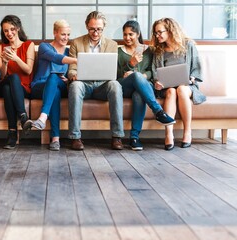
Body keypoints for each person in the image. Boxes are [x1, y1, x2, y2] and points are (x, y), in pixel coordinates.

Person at [67, 11, 124, 150]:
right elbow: (72, 68)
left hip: (102, 85)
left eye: (99, 29)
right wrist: (73, 74)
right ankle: (75, 137)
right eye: (92, 29)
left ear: (104, 27)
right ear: (87, 26)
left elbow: (113, 70)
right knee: (75, 86)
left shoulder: (112, 45)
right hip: (83, 84)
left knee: (115, 85)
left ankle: (117, 136)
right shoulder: (76, 42)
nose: (95, 32)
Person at [117, 20, 175, 151]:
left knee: (138, 95)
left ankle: (134, 137)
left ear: (137, 34)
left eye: (131, 34)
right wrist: (130, 64)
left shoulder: (150, 51)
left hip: (143, 88)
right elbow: (116, 75)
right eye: (125, 34)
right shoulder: (119, 52)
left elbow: (153, 70)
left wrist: (145, 76)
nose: (127, 38)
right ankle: (158, 111)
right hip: (124, 86)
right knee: (135, 76)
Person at [150, 17, 205, 150]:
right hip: (167, 87)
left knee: (181, 89)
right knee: (171, 91)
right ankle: (169, 134)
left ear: (170, 30)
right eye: (155, 33)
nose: (157, 36)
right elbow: (155, 73)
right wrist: (157, 83)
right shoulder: (159, 50)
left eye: (160, 32)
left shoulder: (188, 45)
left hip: (187, 86)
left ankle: (187, 132)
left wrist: (192, 78)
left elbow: (197, 68)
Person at [31, 20, 77, 151]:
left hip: (62, 85)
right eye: (63, 34)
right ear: (55, 33)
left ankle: (42, 117)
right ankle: (55, 138)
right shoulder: (44, 47)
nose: (66, 38)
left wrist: (68, 79)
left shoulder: (70, 51)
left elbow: (71, 74)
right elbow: (55, 58)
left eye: (68, 35)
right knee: (53, 80)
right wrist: (77, 59)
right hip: (40, 85)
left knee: (55, 82)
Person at [0, 15, 35, 149]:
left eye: (12, 29)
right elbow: (2, 75)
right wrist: (6, 62)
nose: (9, 33)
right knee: (10, 79)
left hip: (23, 87)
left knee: (9, 87)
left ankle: (12, 133)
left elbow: (29, 70)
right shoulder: (1, 47)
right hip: (4, 83)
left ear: (18, 28)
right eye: (6, 31)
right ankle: (23, 116)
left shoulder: (28, 45)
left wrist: (16, 58)